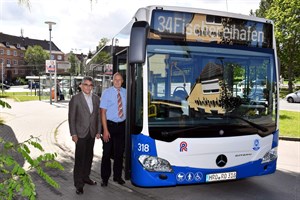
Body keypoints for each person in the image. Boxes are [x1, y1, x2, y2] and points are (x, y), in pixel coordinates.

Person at [68, 76, 101, 195]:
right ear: (81, 86)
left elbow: (98, 116)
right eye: (85, 84)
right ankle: (78, 184)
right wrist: (73, 133)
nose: (88, 87)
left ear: (92, 87)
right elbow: (71, 118)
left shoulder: (96, 99)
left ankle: (86, 177)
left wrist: (98, 130)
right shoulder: (75, 99)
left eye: (90, 85)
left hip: (91, 133)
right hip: (80, 134)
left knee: (89, 157)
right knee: (79, 159)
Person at [100, 72, 126, 187]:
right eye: (115, 79)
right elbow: (102, 112)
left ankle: (117, 176)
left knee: (119, 154)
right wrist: (105, 130)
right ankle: (105, 178)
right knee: (106, 154)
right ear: (112, 80)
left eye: (119, 80)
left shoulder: (126, 92)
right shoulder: (107, 93)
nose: (117, 81)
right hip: (109, 126)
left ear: (122, 81)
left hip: (121, 126)